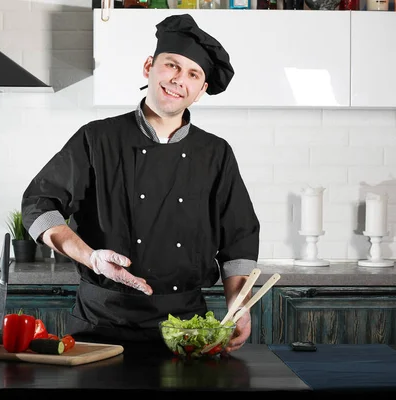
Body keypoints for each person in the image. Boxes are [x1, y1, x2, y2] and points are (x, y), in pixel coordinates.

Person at [21, 14, 260, 354]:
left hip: (187, 329)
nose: (179, 80)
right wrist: (91, 258)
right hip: (101, 324)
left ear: (201, 90)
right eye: (172, 66)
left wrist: (240, 305)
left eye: (193, 74)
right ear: (149, 66)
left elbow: (238, 243)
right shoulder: (96, 138)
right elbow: (39, 203)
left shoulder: (216, 153)